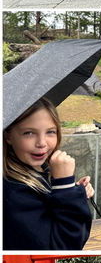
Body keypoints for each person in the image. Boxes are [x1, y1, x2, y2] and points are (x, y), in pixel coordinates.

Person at [0, 98, 93, 252]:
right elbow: (65, 250)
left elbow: (48, 212)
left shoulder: (38, 170)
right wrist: (65, 188)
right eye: (29, 133)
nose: (42, 143)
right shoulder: (11, 194)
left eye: (50, 132)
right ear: (8, 136)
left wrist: (73, 192)